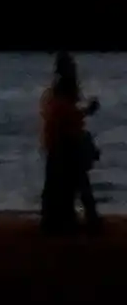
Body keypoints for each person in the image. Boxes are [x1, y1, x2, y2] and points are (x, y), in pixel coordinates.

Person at [40, 52, 101, 235]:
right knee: (79, 178)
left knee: (67, 182)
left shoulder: (56, 92)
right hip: (63, 144)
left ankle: (70, 217)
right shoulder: (60, 92)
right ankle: (87, 217)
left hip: (60, 143)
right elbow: (65, 117)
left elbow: (66, 116)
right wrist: (86, 112)